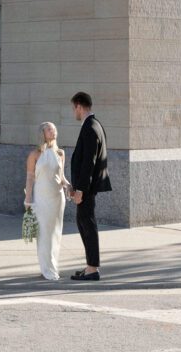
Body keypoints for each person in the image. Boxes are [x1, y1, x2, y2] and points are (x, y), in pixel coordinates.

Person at [69, 91, 111, 281]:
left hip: (86, 189)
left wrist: (80, 190)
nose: (74, 112)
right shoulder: (94, 125)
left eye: (74, 108)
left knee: (88, 224)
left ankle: (93, 268)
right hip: (86, 187)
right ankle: (90, 266)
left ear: (79, 105)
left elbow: (89, 162)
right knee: (83, 222)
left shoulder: (90, 127)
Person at [24, 121, 70, 281]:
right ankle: (46, 268)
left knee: (56, 234)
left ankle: (53, 265)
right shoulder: (34, 155)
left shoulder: (61, 153)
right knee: (44, 234)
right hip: (41, 199)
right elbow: (30, 178)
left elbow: (62, 177)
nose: (53, 131)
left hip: (58, 198)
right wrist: (28, 199)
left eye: (54, 129)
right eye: (49, 129)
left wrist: (69, 186)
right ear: (42, 133)